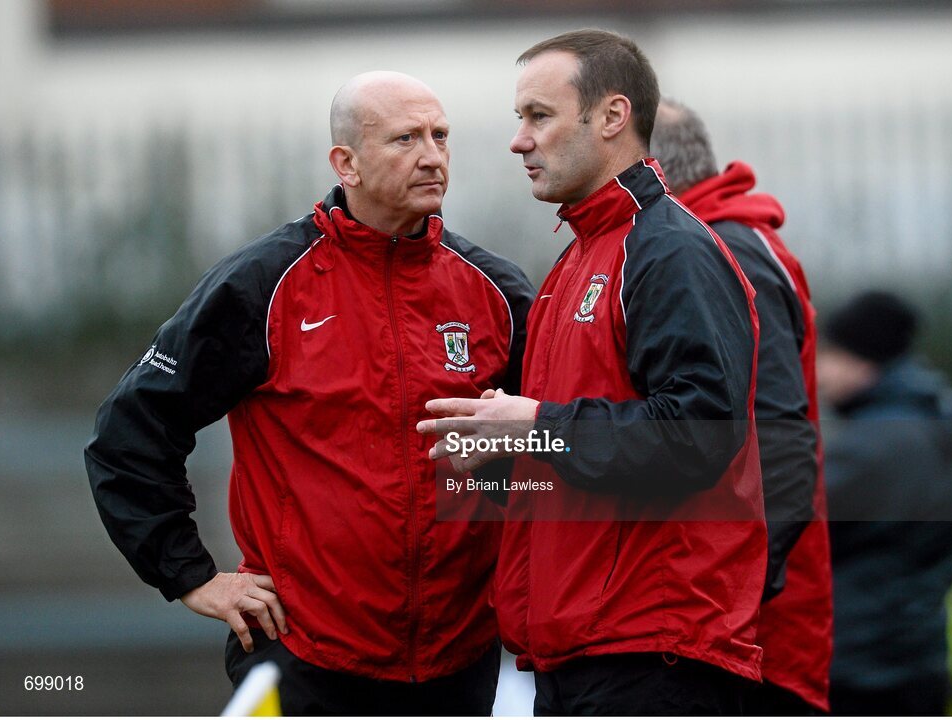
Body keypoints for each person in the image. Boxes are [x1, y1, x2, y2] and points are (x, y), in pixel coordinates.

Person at [84, 71, 534, 716]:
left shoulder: (496, 291)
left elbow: (552, 445)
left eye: (441, 136)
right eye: (405, 138)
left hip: (458, 657)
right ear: (344, 162)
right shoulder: (263, 284)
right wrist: (192, 577)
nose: (432, 156)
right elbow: (130, 431)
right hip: (304, 656)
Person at [418, 30, 766, 715]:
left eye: (538, 116)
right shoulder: (575, 261)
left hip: (655, 657)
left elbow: (699, 435)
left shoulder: (667, 251)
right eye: (520, 119)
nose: (520, 140)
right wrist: (499, 456)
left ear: (612, 117)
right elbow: (586, 462)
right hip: (580, 656)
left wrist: (537, 422)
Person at [652, 99, 832, 715]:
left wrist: (734, 598)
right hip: (735, 629)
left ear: (648, 167)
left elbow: (781, 449)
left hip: (750, 644)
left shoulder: (725, 250)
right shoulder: (724, 239)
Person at [820, 290, 952, 716]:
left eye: (831, 354)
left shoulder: (877, 445)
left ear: (863, 361)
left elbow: (793, 529)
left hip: (866, 669)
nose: (820, 370)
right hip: (912, 657)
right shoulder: (922, 424)